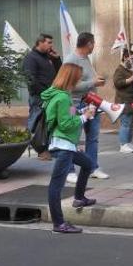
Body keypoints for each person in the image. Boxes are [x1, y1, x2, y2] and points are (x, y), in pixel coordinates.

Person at [41, 63, 98, 234]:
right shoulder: (63, 97)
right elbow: (66, 124)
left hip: (64, 144)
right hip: (63, 145)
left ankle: (79, 198)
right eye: (78, 77)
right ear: (71, 78)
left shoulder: (57, 94)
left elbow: (66, 115)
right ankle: (58, 223)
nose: (80, 81)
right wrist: (85, 117)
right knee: (56, 185)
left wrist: (81, 113)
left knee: (87, 164)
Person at [64, 32, 108, 182]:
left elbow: (89, 79)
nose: (94, 46)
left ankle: (92, 167)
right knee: (73, 137)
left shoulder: (86, 58)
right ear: (88, 44)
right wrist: (93, 83)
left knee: (93, 137)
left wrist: (96, 81)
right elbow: (70, 85)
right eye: (93, 43)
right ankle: (69, 170)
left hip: (91, 102)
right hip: (76, 104)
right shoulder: (71, 60)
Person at [22, 33, 62, 160]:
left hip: (50, 95)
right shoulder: (31, 58)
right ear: (40, 43)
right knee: (36, 122)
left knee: (48, 122)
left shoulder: (48, 57)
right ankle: (31, 147)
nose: (51, 45)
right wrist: (44, 93)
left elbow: (60, 73)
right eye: (49, 42)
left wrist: (56, 59)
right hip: (39, 96)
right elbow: (30, 79)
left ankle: (46, 148)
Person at [113, 48, 133, 154]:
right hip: (123, 100)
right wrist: (130, 80)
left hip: (132, 99)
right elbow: (117, 83)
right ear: (125, 58)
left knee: (132, 122)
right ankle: (123, 144)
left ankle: (128, 142)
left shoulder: (131, 69)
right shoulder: (119, 70)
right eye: (131, 59)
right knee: (126, 123)